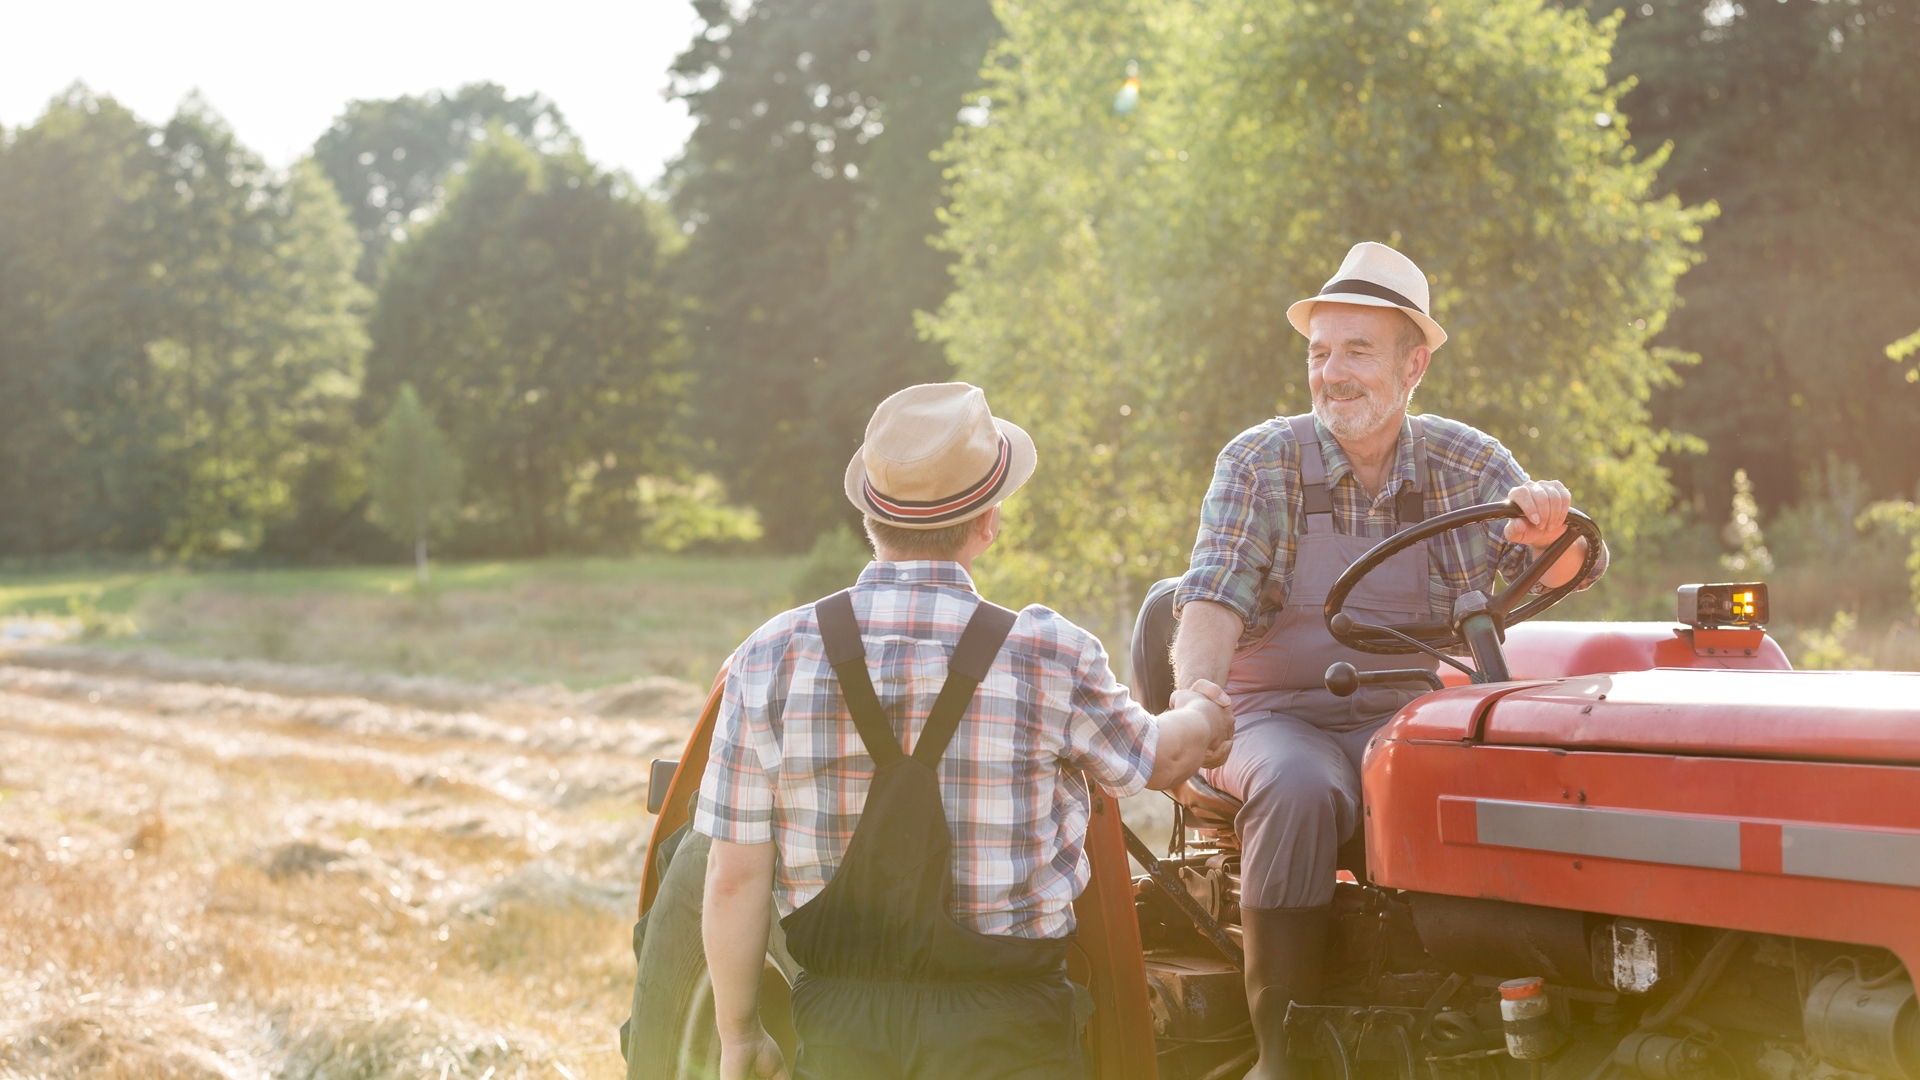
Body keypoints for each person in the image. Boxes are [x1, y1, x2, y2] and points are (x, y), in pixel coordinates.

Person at [696, 382, 1236, 1080]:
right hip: (1009, 1026)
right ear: (989, 522)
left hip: (841, 1024)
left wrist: (738, 1035)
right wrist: (1202, 711)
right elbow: (1158, 759)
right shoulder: (1048, 653)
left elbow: (734, 876)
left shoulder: (770, 656)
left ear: (871, 519)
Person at [1170, 242, 1608, 1078]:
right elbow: (1212, 594)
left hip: (1399, 711)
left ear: (1414, 366)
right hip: (1274, 716)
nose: (1332, 373)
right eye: (1319, 352)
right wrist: (1198, 699)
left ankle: (1502, 1018)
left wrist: (1549, 534)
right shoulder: (1260, 462)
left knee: (1485, 772)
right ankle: (1283, 1051)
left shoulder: (1463, 460)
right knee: (1299, 789)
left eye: (1357, 351)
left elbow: (1572, 569)